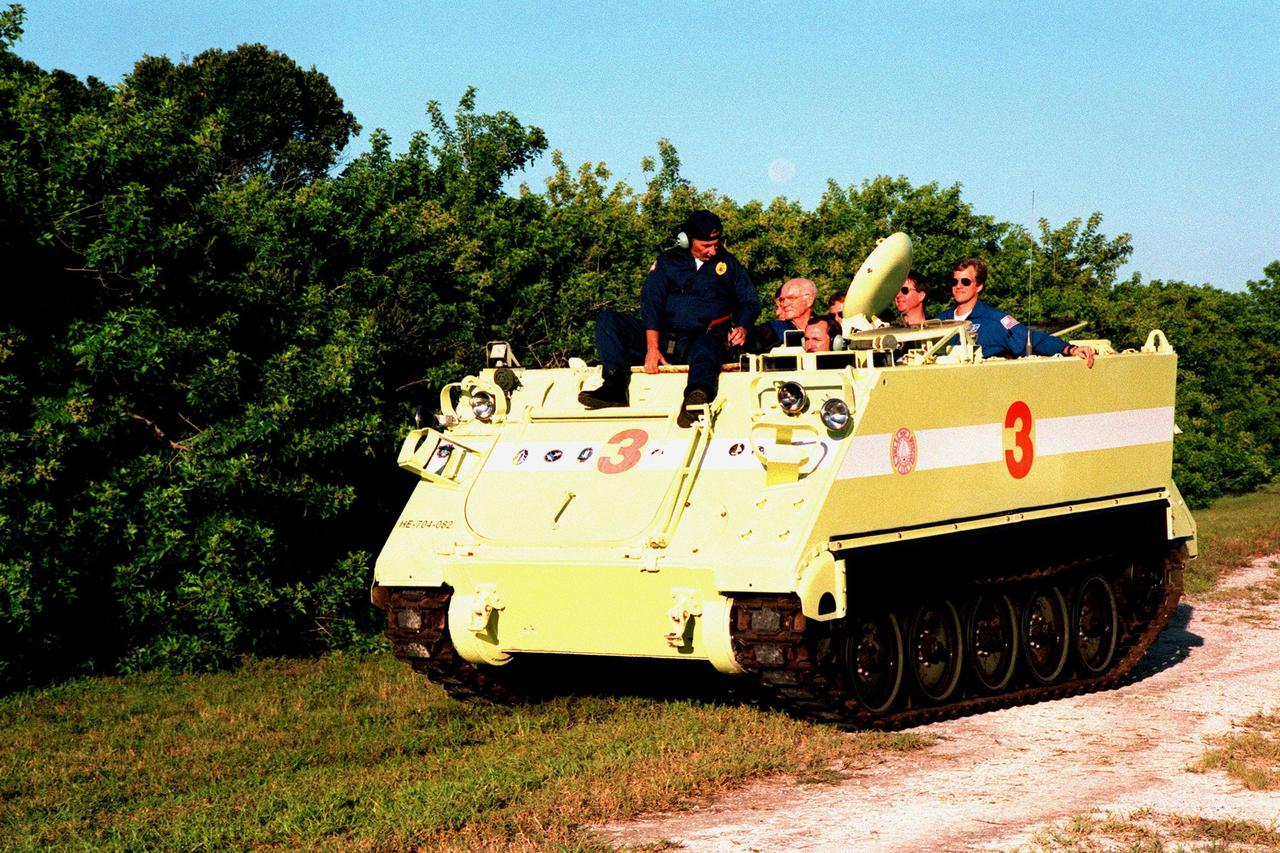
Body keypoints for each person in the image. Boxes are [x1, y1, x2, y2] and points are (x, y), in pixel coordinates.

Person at [578, 210, 761, 426]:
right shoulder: (667, 262)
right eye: (706, 246)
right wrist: (652, 348)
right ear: (687, 240)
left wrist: (742, 326)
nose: (713, 251)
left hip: (701, 340)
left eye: (716, 244)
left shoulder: (729, 265)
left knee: (708, 345)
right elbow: (651, 303)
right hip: (664, 338)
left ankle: (696, 399)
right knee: (608, 320)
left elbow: (749, 301)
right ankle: (614, 386)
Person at [937, 257, 1095, 367]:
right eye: (954, 281)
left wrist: (1069, 349)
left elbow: (1031, 339)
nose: (958, 286)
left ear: (979, 286)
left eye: (965, 282)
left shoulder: (996, 320)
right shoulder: (940, 321)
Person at [752, 277, 816, 350]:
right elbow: (754, 337)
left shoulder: (825, 327)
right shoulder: (776, 328)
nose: (784, 304)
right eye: (783, 300)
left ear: (809, 300)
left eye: (791, 298)